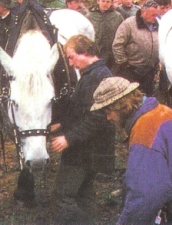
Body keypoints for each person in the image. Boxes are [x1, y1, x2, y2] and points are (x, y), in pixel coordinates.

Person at [91, 76, 172, 224]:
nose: (108, 117)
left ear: (122, 105)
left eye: (108, 111)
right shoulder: (166, 112)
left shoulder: (145, 131)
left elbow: (146, 196)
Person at [50, 35, 114, 224]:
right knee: (84, 195)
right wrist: (61, 124)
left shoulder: (97, 77)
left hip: (82, 151)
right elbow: (83, 110)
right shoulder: (93, 73)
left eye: (71, 57)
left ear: (85, 53)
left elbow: (97, 117)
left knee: (62, 196)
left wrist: (68, 138)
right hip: (90, 150)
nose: (70, 63)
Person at [112, 0, 159, 96]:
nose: (155, 18)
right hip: (132, 71)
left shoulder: (157, 24)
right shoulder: (128, 24)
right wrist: (124, 65)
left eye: (156, 15)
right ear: (143, 12)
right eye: (153, 15)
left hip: (149, 71)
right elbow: (117, 45)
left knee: (147, 99)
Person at [87, 0, 123, 71]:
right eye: (103, 1)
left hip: (112, 57)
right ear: (98, 1)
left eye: (108, 1)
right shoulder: (89, 17)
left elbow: (122, 37)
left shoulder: (117, 17)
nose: (105, 4)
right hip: (94, 55)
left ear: (111, 3)